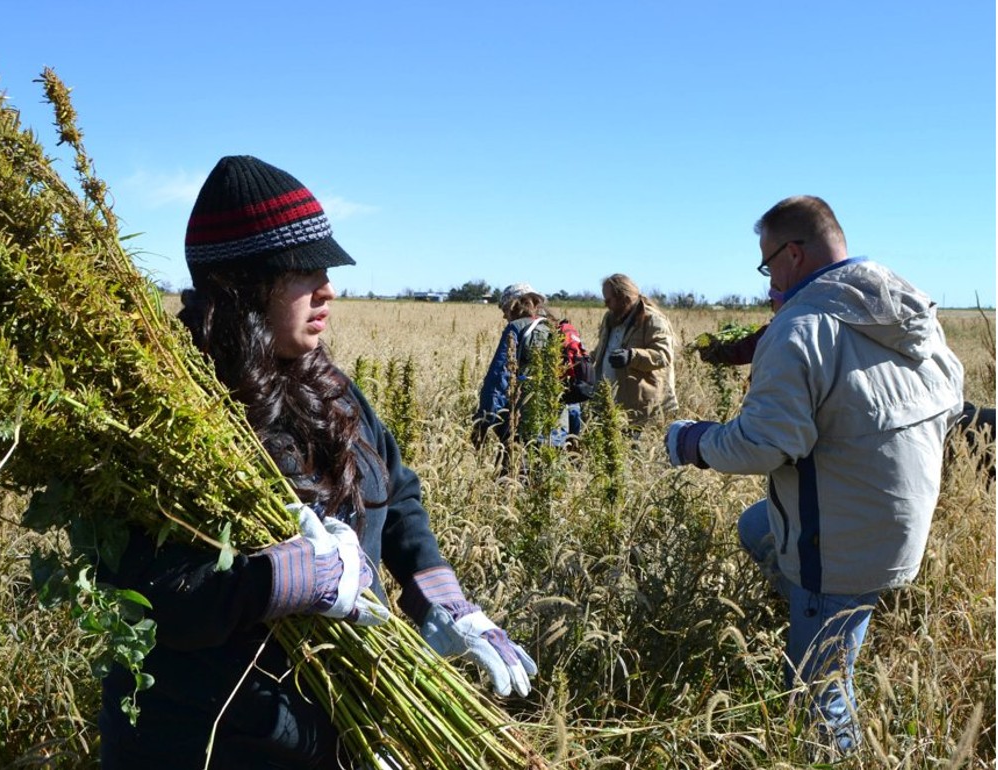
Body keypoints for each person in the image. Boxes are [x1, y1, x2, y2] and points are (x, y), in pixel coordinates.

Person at [96, 155, 536, 769]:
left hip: (330, 729)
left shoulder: (325, 383)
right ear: (244, 284)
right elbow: (142, 587)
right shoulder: (167, 406)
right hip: (207, 743)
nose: (328, 288)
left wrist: (444, 602)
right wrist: (273, 582)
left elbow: (398, 493)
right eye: (305, 271)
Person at [664, 195, 965, 756]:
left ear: (793, 255)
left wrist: (691, 441)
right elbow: (949, 402)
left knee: (815, 695)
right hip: (896, 524)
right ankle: (819, 613)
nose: (767, 279)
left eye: (767, 263)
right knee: (757, 527)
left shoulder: (800, 328)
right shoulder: (906, 312)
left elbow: (764, 445)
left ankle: (830, 714)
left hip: (836, 542)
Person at [472, 282, 592, 455]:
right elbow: (570, 387)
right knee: (548, 478)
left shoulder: (517, 328)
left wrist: (484, 421)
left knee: (516, 477)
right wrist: (573, 433)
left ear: (513, 305)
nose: (504, 317)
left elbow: (498, 380)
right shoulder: (558, 329)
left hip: (524, 427)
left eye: (504, 310)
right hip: (557, 429)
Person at [590, 273, 678, 425]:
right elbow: (602, 349)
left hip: (639, 407)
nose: (606, 305)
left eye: (609, 300)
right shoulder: (610, 318)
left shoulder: (652, 320)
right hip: (608, 401)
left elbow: (663, 355)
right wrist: (585, 359)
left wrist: (632, 356)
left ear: (624, 298)